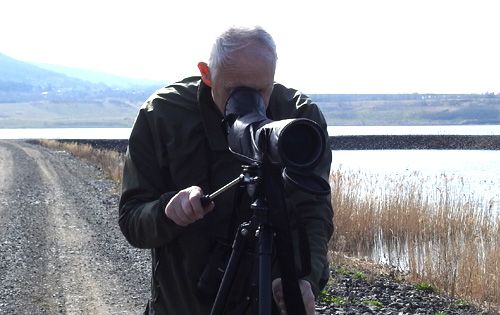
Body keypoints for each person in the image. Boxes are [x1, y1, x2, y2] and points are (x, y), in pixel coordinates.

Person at [119, 25, 333, 315]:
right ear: (207, 75)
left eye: (259, 91)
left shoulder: (299, 121)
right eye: (233, 91)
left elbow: (314, 212)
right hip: (183, 305)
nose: (248, 103)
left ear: (272, 77)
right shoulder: (162, 116)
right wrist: (167, 211)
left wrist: (305, 280)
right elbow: (132, 220)